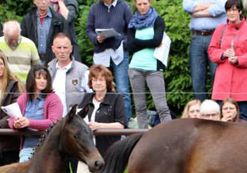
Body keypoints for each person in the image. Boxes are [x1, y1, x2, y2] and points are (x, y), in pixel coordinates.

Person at [74, 64, 126, 173]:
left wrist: (99, 126)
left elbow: (121, 124)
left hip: (107, 151)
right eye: (94, 80)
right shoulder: (87, 97)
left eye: (101, 80)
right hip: (86, 152)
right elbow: (77, 119)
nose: (97, 83)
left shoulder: (115, 98)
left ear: (107, 81)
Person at [208, 0, 247, 121]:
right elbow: (211, 51)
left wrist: (239, 59)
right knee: (222, 118)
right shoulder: (220, 29)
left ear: (240, 11)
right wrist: (223, 54)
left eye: (234, 10)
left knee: (242, 117)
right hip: (223, 79)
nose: (231, 13)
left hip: (243, 79)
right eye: (228, 10)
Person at [47, 33, 89, 173]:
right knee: (58, 172)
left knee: (78, 171)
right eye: (59, 47)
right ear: (53, 49)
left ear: (71, 49)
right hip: (54, 128)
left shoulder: (83, 70)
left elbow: (90, 95)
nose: (62, 51)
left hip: (74, 128)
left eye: (65, 47)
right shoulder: (48, 70)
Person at [127, 0, 172, 129]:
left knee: (162, 107)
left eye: (145, 3)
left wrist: (137, 42)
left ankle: (170, 134)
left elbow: (157, 41)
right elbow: (129, 46)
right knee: (140, 107)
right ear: (136, 4)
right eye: (139, 4)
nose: (142, 7)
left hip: (153, 68)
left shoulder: (157, 20)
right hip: (135, 67)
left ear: (150, 3)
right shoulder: (133, 22)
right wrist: (148, 42)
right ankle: (142, 134)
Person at [86, 0, 133, 124]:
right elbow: (89, 29)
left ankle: (125, 124)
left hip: (119, 51)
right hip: (101, 52)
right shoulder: (94, 8)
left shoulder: (124, 6)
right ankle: (96, 121)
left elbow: (131, 29)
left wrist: (124, 43)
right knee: (97, 87)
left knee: (123, 90)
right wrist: (96, 38)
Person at [9, 66, 63, 162]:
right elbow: (11, 118)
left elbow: (54, 122)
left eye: (45, 78)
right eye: (38, 78)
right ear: (31, 79)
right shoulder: (23, 98)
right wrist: (15, 124)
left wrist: (29, 122)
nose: (42, 81)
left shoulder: (54, 99)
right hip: (27, 148)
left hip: (49, 148)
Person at [183, 0, 226, 101]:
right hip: (196, 37)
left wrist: (198, 13)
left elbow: (221, 7)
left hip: (217, 36)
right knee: (197, 77)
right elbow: (187, 6)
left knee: (217, 75)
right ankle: (200, 111)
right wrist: (211, 6)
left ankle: (218, 111)